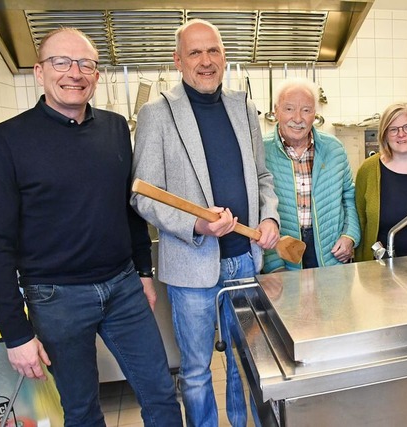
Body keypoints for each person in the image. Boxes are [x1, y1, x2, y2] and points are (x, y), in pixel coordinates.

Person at [0, 28, 182, 426]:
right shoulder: (4, 142)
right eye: (61, 62)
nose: (74, 72)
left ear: (97, 75)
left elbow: (129, 206)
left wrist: (143, 270)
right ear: (40, 72)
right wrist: (16, 334)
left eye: (85, 64)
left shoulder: (115, 128)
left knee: (161, 392)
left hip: (123, 287)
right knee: (82, 410)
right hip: (55, 299)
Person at [130, 19, 280, 427]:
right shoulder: (156, 114)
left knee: (245, 363)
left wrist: (268, 216)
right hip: (191, 264)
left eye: (213, 51)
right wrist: (196, 226)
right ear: (178, 61)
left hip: (244, 261)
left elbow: (263, 177)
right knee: (196, 372)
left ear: (224, 57)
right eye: (195, 53)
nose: (206, 60)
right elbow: (142, 194)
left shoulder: (243, 107)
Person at [262, 78, 360, 272]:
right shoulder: (261, 150)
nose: (298, 119)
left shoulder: (334, 148)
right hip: (282, 254)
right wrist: (273, 264)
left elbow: (349, 197)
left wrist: (350, 236)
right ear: (276, 111)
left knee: (333, 302)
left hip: (331, 254)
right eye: (289, 109)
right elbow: (256, 209)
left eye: (306, 110)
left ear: (314, 113)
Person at [355, 102, 407, 261]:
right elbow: (360, 221)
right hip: (381, 269)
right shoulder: (368, 169)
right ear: (384, 135)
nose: (401, 134)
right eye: (393, 129)